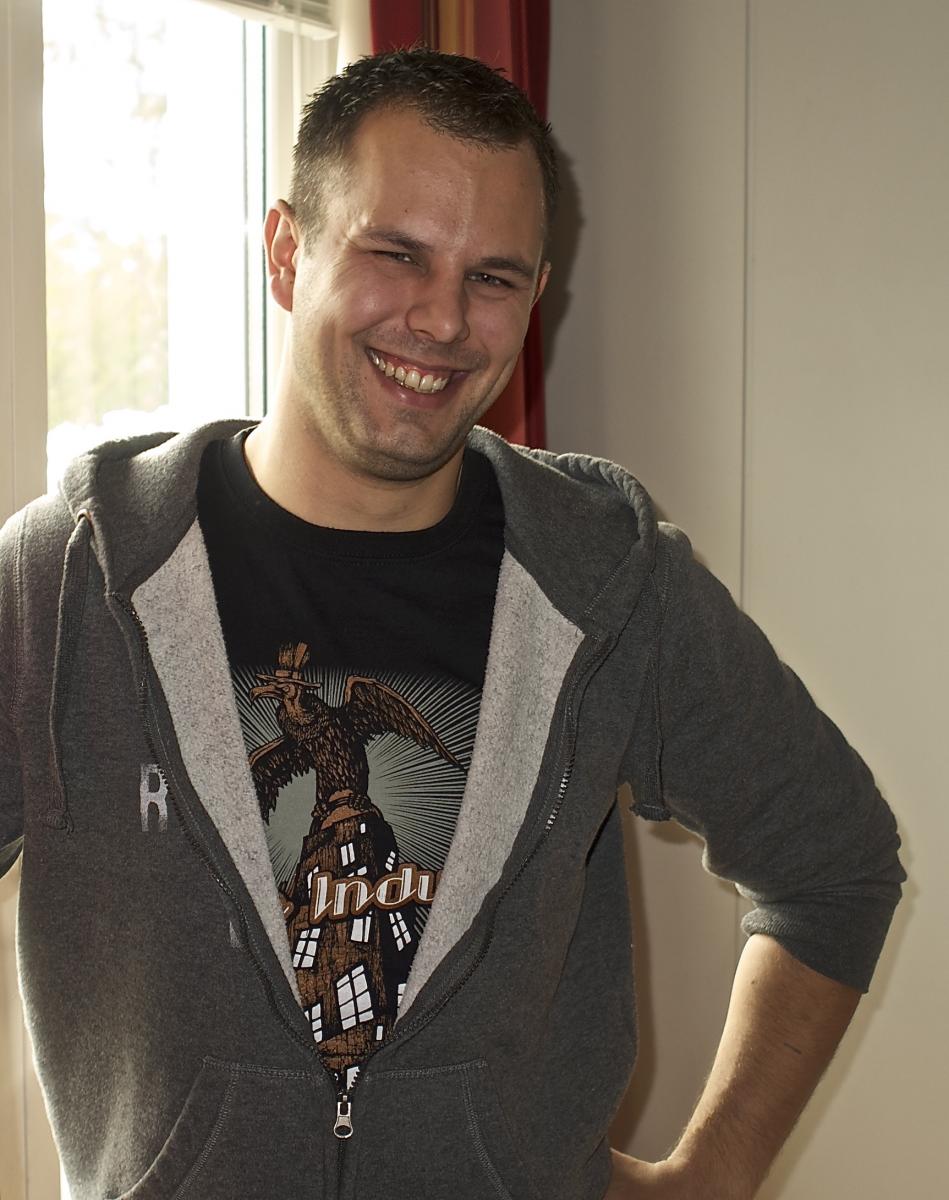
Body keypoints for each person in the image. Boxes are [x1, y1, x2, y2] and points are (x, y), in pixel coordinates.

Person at [0, 48, 903, 1200]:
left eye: (492, 278)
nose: (439, 319)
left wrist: (715, 1173)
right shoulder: (72, 581)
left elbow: (834, 863)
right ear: (286, 252)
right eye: (395, 254)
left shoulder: (606, 584)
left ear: (536, 296)